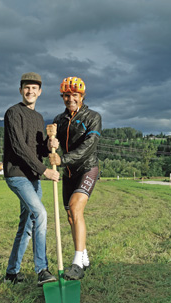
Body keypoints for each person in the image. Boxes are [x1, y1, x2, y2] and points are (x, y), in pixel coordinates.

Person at [3, 72, 61, 286]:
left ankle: (12, 273)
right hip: (17, 174)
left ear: (40, 92)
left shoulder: (38, 118)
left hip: (33, 177)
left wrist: (49, 145)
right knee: (40, 213)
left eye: (34, 88)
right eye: (26, 87)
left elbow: (38, 149)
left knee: (27, 225)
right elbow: (19, 148)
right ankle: (42, 269)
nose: (30, 91)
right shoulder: (13, 113)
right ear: (21, 90)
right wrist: (45, 170)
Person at [49, 76, 102, 280]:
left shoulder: (93, 117)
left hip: (87, 169)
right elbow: (55, 146)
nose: (70, 98)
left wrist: (62, 159)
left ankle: (77, 262)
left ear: (82, 96)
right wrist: (51, 142)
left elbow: (89, 146)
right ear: (62, 97)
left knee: (75, 206)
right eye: (66, 95)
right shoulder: (59, 120)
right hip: (68, 173)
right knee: (71, 216)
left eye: (74, 95)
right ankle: (85, 256)